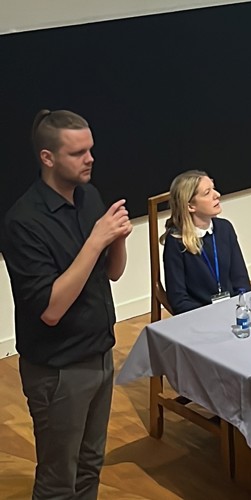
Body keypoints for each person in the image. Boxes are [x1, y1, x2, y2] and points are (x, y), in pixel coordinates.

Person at [3, 109, 132, 499]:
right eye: (78, 153)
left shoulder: (88, 196)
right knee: (59, 479)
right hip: (58, 371)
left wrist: (118, 239)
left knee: (91, 465)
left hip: (99, 354)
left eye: (90, 149)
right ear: (48, 158)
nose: (90, 159)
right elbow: (51, 308)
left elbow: (112, 273)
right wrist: (96, 240)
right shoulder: (23, 222)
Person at [161, 170, 251, 315]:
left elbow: (241, 282)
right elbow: (179, 301)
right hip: (199, 317)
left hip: (232, 311)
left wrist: (238, 309)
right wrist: (212, 314)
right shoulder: (176, 243)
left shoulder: (224, 228)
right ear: (190, 206)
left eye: (213, 188)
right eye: (207, 193)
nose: (217, 195)